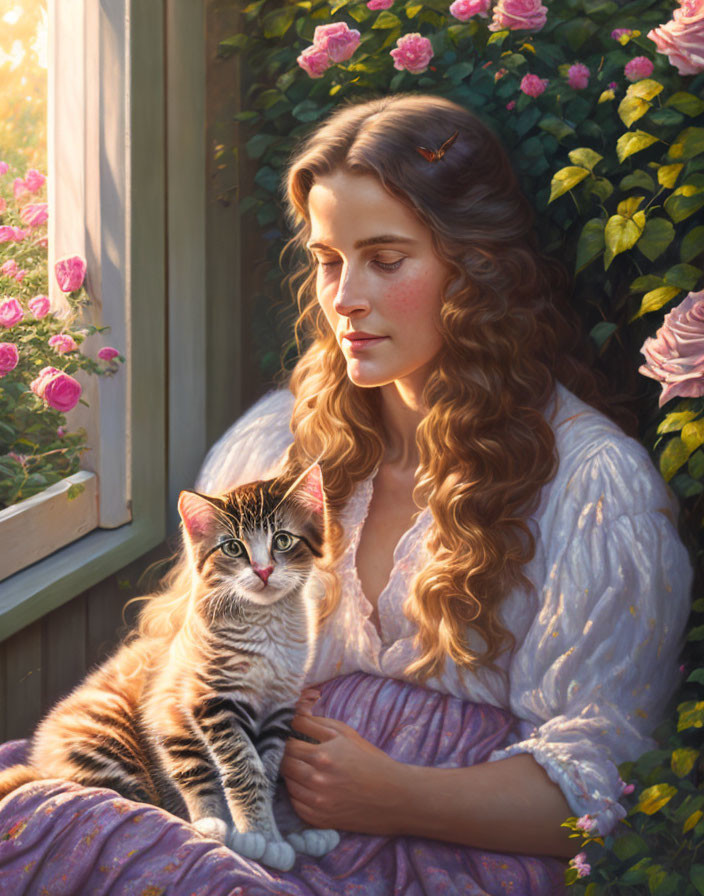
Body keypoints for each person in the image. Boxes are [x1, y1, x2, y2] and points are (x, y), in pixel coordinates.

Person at [0, 93, 691, 896]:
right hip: (240, 817)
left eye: (386, 261)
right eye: (329, 260)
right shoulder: (278, 443)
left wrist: (398, 796)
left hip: (438, 860)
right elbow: (185, 663)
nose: (344, 298)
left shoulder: (591, 487)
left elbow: (608, 783)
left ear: (476, 271)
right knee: (49, 821)